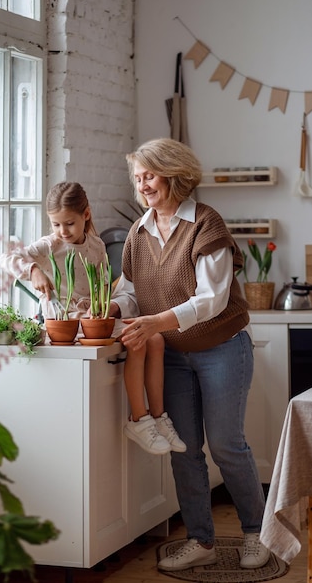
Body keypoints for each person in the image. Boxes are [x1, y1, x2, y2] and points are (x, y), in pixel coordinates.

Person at [112, 138, 270, 572]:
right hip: (174, 356)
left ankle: (258, 533)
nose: (143, 184)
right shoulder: (138, 233)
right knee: (184, 449)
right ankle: (200, 539)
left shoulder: (206, 224)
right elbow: (129, 291)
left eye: (150, 175)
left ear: (174, 174)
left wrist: (154, 323)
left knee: (226, 445)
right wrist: (111, 308)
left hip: (221, 347)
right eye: (138, 177)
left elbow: (212, 299)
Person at [0, 181, 116, 319]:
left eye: (69, 223)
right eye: (56, 224)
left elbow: (104, 283)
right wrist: (33, 271)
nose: (63, 231)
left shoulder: (97, 246)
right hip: (58, 317)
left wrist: (99, 303)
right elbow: (5, 258)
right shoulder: (49, 245)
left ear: (86, 214)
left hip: (90, 316)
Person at [123, 331, 187, 455]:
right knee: (137, 341)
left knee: (156, 339)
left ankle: (158, 416)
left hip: (126, 317)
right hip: (103, 321)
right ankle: (138, 419)